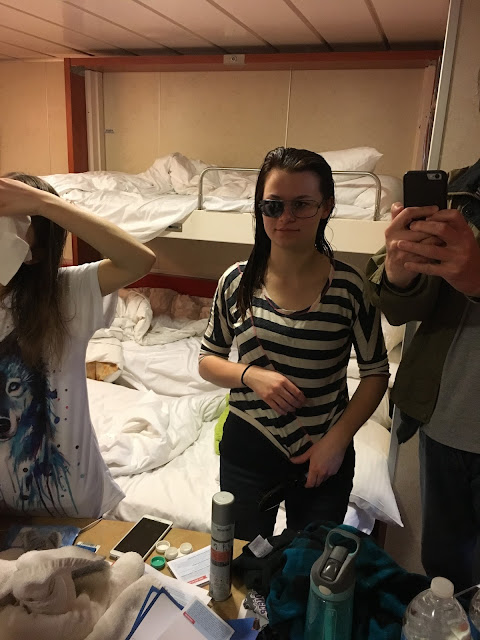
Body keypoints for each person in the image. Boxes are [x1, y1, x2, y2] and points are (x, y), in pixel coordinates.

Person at [198, 147, 389, 541]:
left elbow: (375, 374)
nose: (285, 217)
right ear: (260, 209)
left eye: (302, 204)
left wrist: (337, 442)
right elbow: (207, 360)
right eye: (273, 206)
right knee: (244, 559)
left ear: (326, 207)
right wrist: (251, 376)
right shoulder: (235, 281)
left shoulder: (351, 287)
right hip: (248, 446)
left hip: (324, 451)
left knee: (310, 564)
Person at [0, 173, 156, 518]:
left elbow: (139, 260)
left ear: (34, 252)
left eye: (14, 221)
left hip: (72, 503)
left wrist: (44, 204)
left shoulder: (64, 295)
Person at [365, 199, 480, 592]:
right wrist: (398, 278)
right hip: (444, 422)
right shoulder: (462, 193)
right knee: (445, 576)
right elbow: (398, 311)